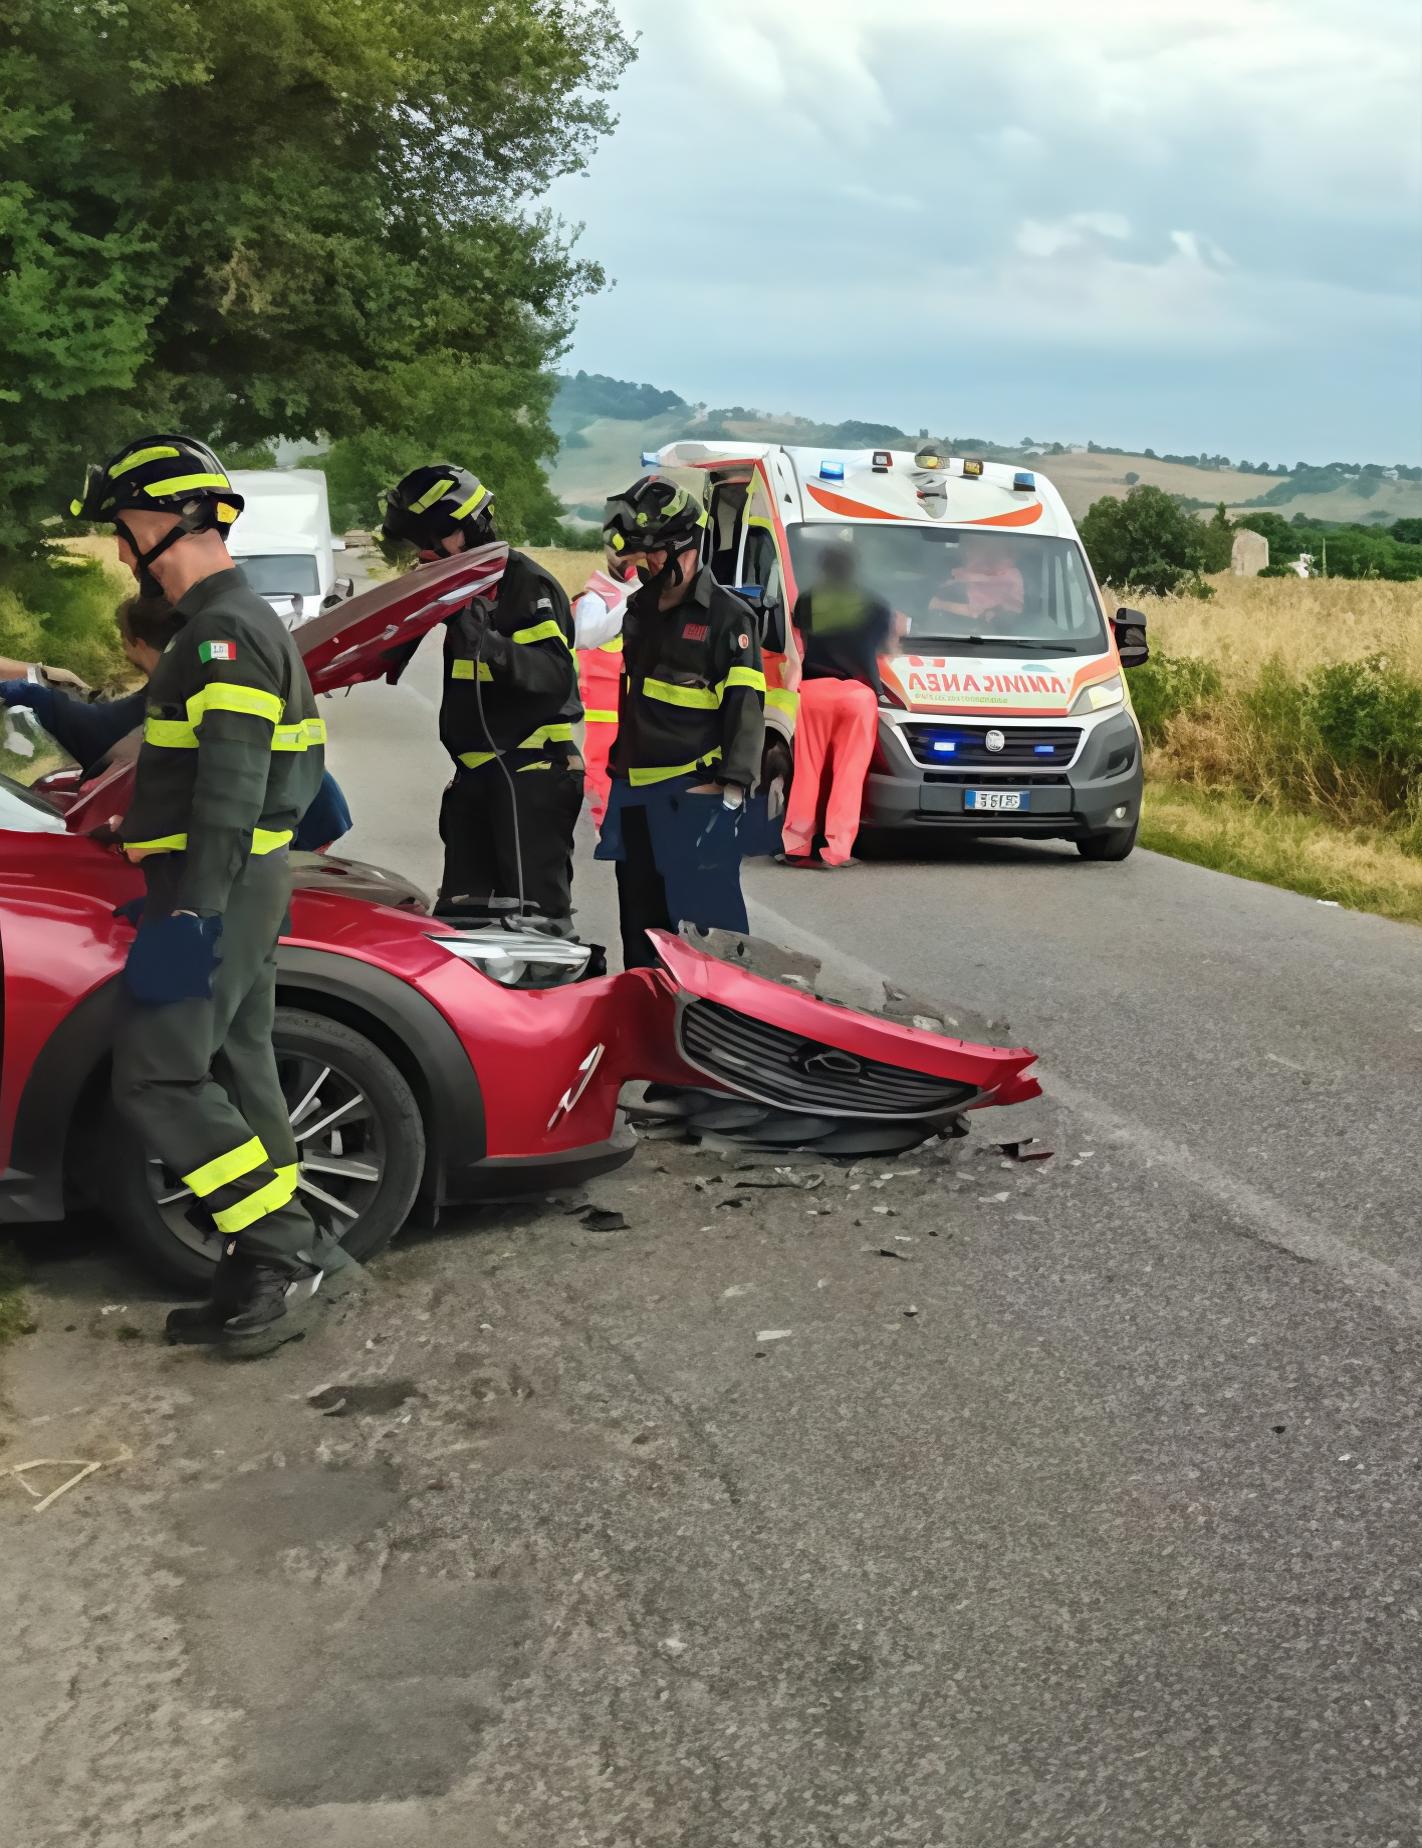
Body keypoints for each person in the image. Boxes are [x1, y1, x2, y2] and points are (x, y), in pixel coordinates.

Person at [69, 433, 334, 1356]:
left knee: (157, 1073)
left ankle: (282, 1246)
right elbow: (209, 783)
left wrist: (193, 909)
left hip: (215, 890)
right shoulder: (238, 625)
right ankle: (261, 1272)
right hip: (234, 883)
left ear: (163, 522)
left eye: (124, 525)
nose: (118, 546)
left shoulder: (221, 634)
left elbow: (230, 786)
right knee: (243, 1069)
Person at [376, 466, 582, 928]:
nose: (423, 553)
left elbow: (554, 677)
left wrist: (487, 644)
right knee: (464, 919)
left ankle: (552, 994)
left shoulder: (527, 586)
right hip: (476, 777)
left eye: (428, 541)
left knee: (534, 923)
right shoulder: (460, 586)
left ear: (466, 529)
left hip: (530, 776)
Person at [0, 597, 353, 850]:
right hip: (311, 803)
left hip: (299, 820)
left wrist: (34, 693)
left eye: (124, 642)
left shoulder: (174, 695)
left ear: (137, 643)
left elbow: (104, 730)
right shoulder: (199, 671)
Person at [594, 477, 766, 970]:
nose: (641, 565)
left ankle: (721, 1035)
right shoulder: (640, 610)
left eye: (651, 554)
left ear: (683, 548)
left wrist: (731, 794)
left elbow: (744, 709)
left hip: (692, 798)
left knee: (709, 941)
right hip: (635, 794)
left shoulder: (728, 619)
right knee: (641, 930)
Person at [781, 543, 892, 869]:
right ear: (854, 569)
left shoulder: (809, 599)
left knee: (807, 771)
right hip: (857, 695)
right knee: (849, 774)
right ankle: (837, 850)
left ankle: (797, 846)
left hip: (814, 692)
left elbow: (799, 634)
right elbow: (883, 645)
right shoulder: (876, 604)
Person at [572, 542, 640, 828]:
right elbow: (586, 637)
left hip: (630, 702)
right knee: (601, 766)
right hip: (604, 705)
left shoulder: (638, 590)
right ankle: (606, 826)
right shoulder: (595, 599)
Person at [929, 532, 1026, 628]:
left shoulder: (1008, 578)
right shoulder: (1009, 578)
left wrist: (939, 604)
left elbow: (973, 612)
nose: (989, 618)